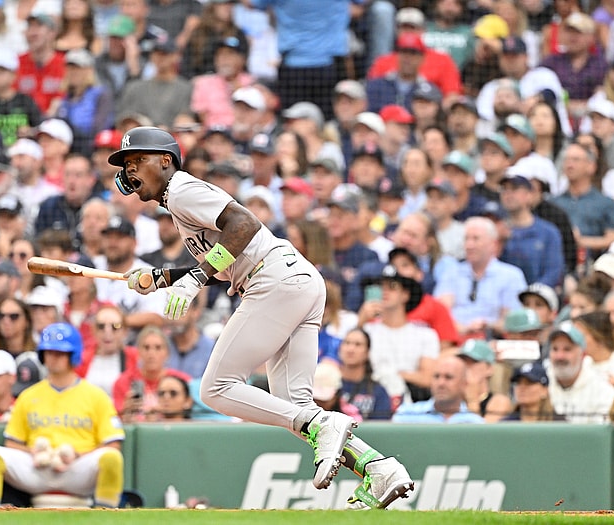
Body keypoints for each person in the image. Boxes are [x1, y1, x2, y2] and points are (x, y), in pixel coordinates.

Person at [110, 126, 413, 507]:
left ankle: (325, 423)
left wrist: (196, 279)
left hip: (274, 281)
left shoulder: (182, 189)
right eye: (127, 164)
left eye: (139, 160)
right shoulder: (178, 201)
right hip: (292, 280)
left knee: (216, 388)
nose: (131, 169)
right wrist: (163, 278)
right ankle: (379, 469)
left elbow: (244, 225)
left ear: (166, 161)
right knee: (297, 411)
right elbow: (228, 260)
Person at [0, 322, 125, 508]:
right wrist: (33, 452)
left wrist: (78, 454)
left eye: (60, 353)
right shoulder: (29, 395)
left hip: (77, 469)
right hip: (38, 467)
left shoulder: (96, 396)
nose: (53, 357)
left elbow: (113, 444)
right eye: (49, 352)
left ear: (72, 355)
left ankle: (106, 516)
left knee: (112, 457)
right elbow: (12, 442)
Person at [359, 264, 439, 404]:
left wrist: (391, 375)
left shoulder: (425, 335)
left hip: (410, 402)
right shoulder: (365, 330)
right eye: (381, 287)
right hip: (369, 399)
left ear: (405, 295)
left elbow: (427, 378)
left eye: (392, 286)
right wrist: (360, 320)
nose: (385, 291)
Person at [434, 216, 528, 336]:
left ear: (493, 244)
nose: (469, 245)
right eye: (466, 239)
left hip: (494, 339)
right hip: (454, 337)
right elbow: (441, 314)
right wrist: (463, 329)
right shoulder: (451, 273)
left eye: (476, 239)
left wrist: (488, 325)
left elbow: (513, 321)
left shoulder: (511, 276)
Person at [546, 321, 614, 423]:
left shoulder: (601, 389)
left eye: (567, 349)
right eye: (555, 349)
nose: (559, 356)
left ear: (582, 354)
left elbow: (604, 430)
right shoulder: (540, 382)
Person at [392, 354, 486, 424]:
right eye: (436, 377)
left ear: (464, 384)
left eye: (448, 377)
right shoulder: (407, 414)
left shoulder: (474, 422)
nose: (441, 383)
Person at [337, 328, 392, 420]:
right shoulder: (328, 386)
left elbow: (381, 426)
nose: (351, 349)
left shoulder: (378, 392)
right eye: (347, 343)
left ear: (367, 352)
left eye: (358, 344)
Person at [456, 339, 512, 422]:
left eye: (474, 362)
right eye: (462, 362)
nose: (466, 367)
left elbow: (483, 430)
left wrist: (472, 401)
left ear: (489, 368)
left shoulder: (498, 402)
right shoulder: (452, 399)